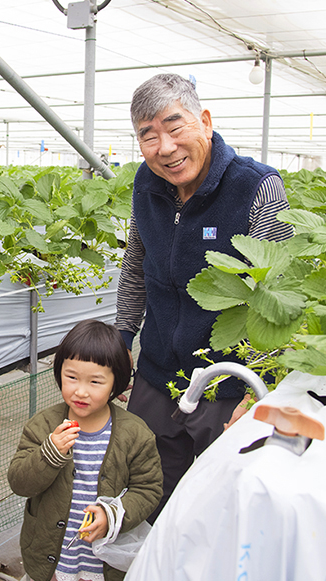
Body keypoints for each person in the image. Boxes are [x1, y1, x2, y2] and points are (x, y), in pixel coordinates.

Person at [116, 73, 294, 522]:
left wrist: (257, 388)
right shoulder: (146, 183)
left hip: (227, 387)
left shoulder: (256, 187)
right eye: (149, 136)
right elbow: (136, 266)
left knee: (224, 509)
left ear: (205, 122)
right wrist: (122, 339)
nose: (166, 147)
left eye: (176, 128)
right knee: (145, 495)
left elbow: (276, 295)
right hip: (157, 377)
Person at [8, 320, 162, 581]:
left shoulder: (135, 434)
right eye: (71, 377)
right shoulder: (44, 425)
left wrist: (112, 515)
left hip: (103, 563)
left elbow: (148, 489)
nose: (81, 391)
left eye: (95, 382)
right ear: (59, 373)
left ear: (116, 384)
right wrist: (49, 455)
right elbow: (20, 482)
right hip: (52, 558)